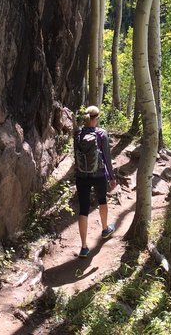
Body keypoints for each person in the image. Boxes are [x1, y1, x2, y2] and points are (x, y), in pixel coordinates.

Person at [74, 105, 117, 258]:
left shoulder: (78, 133)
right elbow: (106, 157)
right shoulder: (101, 134)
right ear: (96, 119)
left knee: (83, 209)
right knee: (102, 200)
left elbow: (76, 155)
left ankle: (84, 247)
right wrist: (111, 177)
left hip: (81, 176)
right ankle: (105, 229)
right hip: (98, 174)